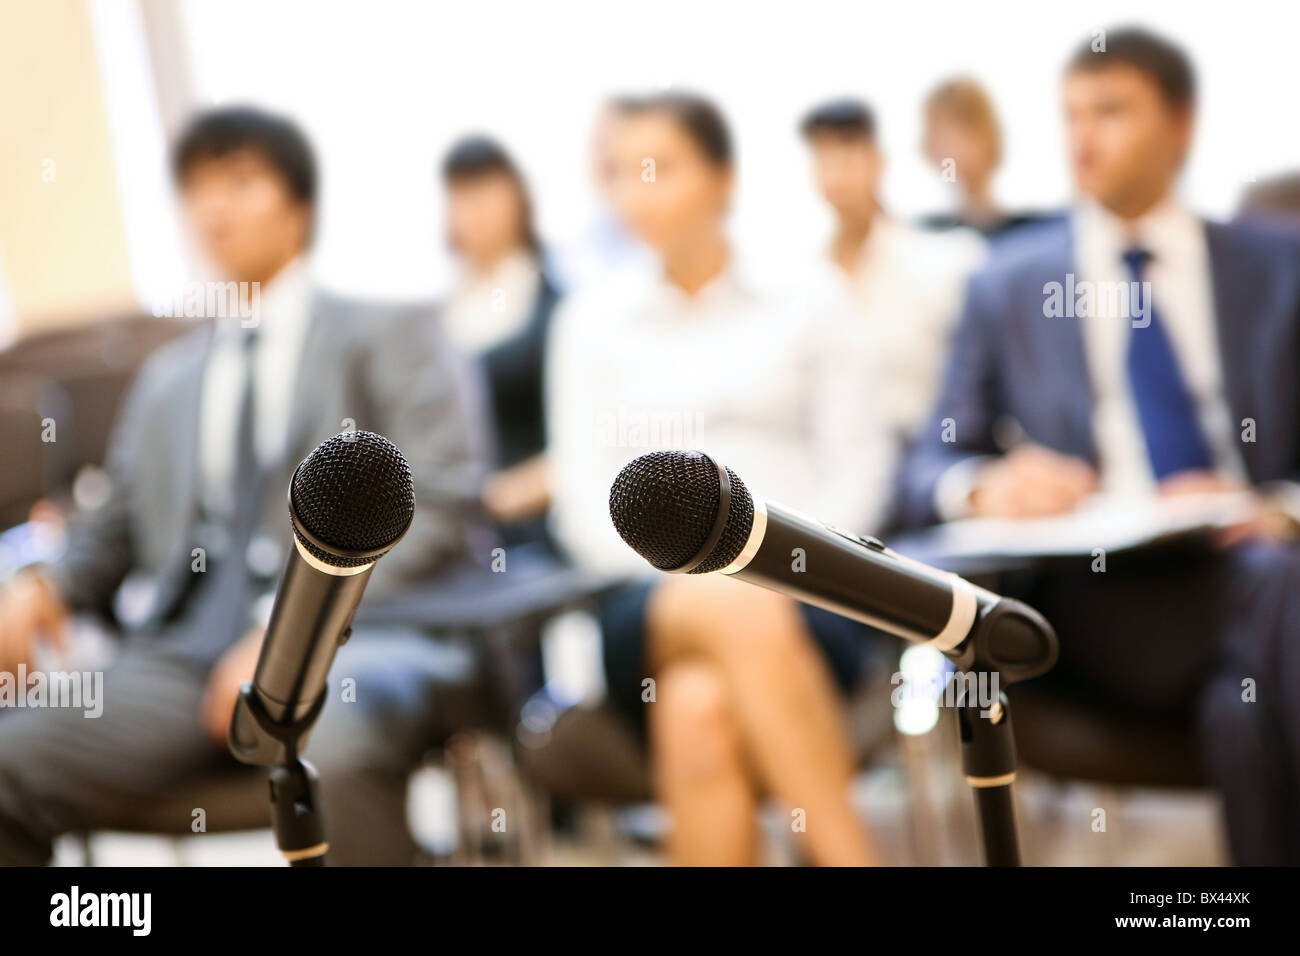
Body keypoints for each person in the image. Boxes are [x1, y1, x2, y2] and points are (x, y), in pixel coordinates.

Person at [0, 107, 488, 865]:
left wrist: (289, 636)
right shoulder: (167, 378)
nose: (213, 206)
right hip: (183, 658)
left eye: (240, 180)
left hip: (360, 637)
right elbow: (116, 524)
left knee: (338, 729)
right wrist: (43, 585)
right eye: (195, 188)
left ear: (299, 207)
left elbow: (441, 508)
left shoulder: (394, 333)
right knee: (8, 759)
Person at [893, 29, 1300, 864]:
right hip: (1107, 600)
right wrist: (985, 486)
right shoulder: (1007, 282)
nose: (1083, 137)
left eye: (1111, 111)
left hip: (1259, 567)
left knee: (1242, 698)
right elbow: (922, 469)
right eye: (1070, 115)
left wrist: (1280, 511)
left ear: (1182, 124)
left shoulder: (1276, 265)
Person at [547, 93, 882, 866]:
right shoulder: (590, 324)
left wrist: (787, 566)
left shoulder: (812, 298)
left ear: (724, 179)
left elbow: (858, 467)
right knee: (719, 605)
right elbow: (581, 505)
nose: (634, 192)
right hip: (648, 602)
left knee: (699, 711)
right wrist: (694, 581)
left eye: (655, 168)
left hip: (809, 591)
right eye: (619, 174)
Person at [799, 98, 985, 484]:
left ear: (877, 161)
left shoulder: (947, 263)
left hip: (925, 463)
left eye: (847, 156)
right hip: (827, 470)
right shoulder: (801, 282)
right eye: (823, 159)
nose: (836, 175)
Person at [440, 136, 558, 544]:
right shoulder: (438, 312)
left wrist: (504, 497)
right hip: (444, 525)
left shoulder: (558, 309)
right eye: (461, 196)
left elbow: (585, 435)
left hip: (529, 526)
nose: (475, 212)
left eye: (486, 192)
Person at [918, 78, 1044, 240]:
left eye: (953, 135)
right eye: (938, 137)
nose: (944, 150)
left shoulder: (1030, 230)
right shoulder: (927, 232)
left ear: (985, 137)